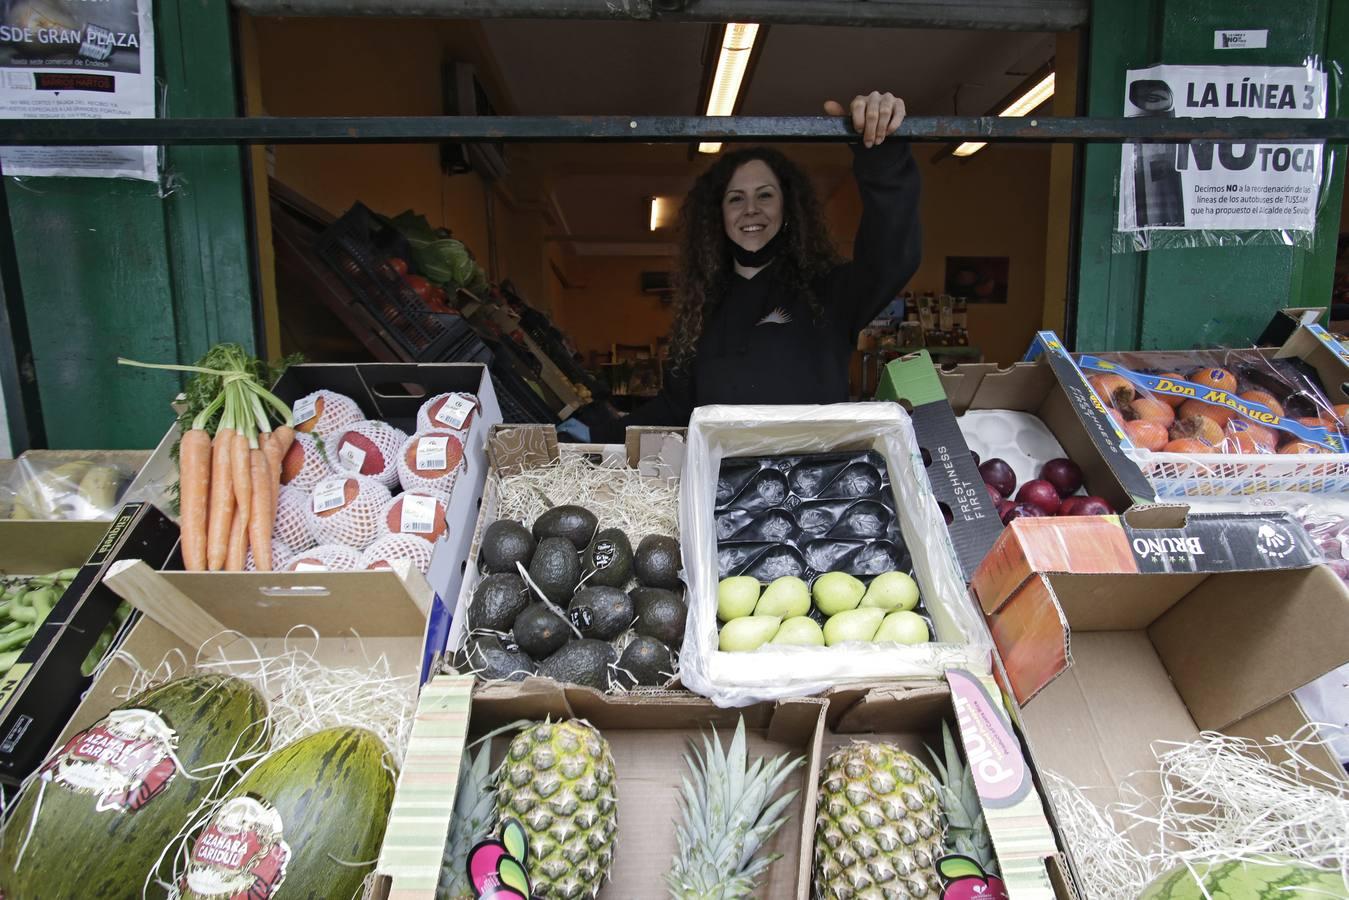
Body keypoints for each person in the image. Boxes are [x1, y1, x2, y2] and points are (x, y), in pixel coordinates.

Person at [575, 90, 920, 443]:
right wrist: (594, 434)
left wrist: (882, 155)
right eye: (736, 198)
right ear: (718, 217)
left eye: (765, 195)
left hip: (815, 487)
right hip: (725, 490)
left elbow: (890, 258)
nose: (750, 209)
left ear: (789, 210)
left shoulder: (827, 293)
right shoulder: (700, 310)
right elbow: (677, 408)